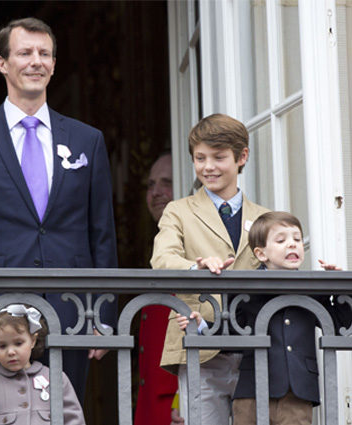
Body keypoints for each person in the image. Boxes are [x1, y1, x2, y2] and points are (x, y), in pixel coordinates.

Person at [0, 17, 117, 401]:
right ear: (2, 63)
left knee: (66, 413)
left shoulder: (88, 139)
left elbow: (102, 233)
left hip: (71, 312)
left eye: (45, 53)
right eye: (25, 53)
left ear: (54, 63)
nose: (36, 61)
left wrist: (103, 315)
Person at [151, 113, 271, 425]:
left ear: (241, 156)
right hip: (199, 344)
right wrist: (195, 265)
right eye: (200, 158)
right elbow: (162, 259)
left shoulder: (265, 217)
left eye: (218, 157)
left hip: (253, 348)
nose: (208, 167)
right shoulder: (178, 211)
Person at [177, 211, 352, 425]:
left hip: (297, 393)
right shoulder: (248, 291)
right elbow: (232, 336)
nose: (292, 245)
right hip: (252, 391)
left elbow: (338, 325)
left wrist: (340, 290)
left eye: (297, 239)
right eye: (281, 240)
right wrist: (202, 325)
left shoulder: (313, 289)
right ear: (261, 254)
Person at [134, 152, 178, 425]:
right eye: (150, 185)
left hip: (177, 404)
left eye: (167, 182)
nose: (156, 192)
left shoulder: (195, 242)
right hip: (151, 402)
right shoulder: (158, 243)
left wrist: (183, 399)